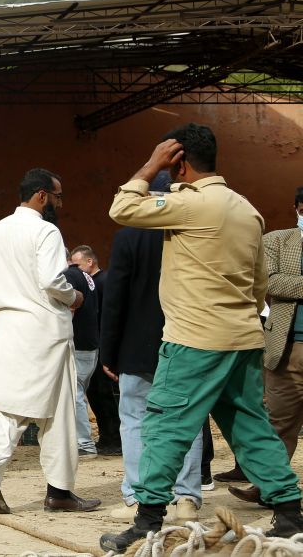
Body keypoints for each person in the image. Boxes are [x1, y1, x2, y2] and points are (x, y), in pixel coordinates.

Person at [100, 123, 303, 551]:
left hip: (194, 338)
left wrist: (150, 164)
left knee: (165, 426)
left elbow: (122, 208)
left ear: (179, 163)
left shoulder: (189, 204)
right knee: (251, 426)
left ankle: (147, 519)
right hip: (244, 338)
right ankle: (288, 513)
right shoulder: (247, 209)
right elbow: (259, 282)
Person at [0, 168, 100, 514]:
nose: (59, 203)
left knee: (6, 408)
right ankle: (58, 491)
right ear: (42, 195)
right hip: (45, 332)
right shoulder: (46, 230)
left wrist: (13, 295)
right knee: (57, 414)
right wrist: (74, 298)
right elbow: (51, 280)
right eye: (57, 196)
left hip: (8, 328)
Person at [99, 172, 203, 523]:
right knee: (187, 421)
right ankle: (186, 498)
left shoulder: (129, 235)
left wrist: (108, 352)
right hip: (187, 339)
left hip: (136, 346)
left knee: (134, 421)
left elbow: (115, 298)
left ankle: (136, 497)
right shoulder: (193, 231)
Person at [228, 186, 303, 506]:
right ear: (299, 208)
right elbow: (270, 281)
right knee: (277, 422)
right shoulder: (276, 240)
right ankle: (266, 486)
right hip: (286, 348)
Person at [71, 244, 121, 455]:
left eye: (77, 265)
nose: (74, 270)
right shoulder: (91, 282)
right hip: (97, 344)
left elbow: (111, 315)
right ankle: (106, 436)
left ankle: (115, 439)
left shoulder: (103, 282)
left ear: (90, 262)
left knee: (105, 395)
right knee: (95, 395)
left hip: (102, 345)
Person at [65, 254, 99, 459]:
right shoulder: (84, 275)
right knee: (78, 394)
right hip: (90, 344)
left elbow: (70, 309)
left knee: (74, 395)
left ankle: (85, 444)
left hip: (79, 344)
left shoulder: (69, 275)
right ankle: (80, 441)